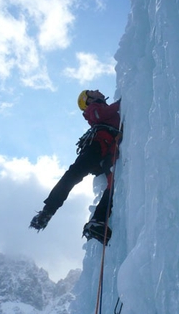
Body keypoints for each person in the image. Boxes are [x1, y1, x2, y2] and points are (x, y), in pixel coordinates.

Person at [29, 90, 121, 244]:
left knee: (113, 184)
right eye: (92, 92)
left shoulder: (98, 108)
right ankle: (48, 210)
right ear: (89, 100)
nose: (97, 91)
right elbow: (99, 115)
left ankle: (97, 221)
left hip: (106, 151)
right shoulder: (94, 108)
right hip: (97, 147)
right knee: (72, 175)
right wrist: (120, 103)